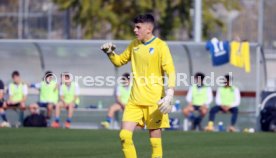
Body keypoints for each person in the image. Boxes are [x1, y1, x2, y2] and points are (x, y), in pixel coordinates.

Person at [101, 14, 175, 158]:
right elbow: (119, 61)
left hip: (154, 102)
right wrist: (110, 53)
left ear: (148, 29)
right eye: (134, 27)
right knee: (124, 136)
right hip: (135, 100)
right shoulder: (134, 44)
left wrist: (170, 93)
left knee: (155, 142)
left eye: (138, 27)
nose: (135, 30)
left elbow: (170, 70)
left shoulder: (161, 46)